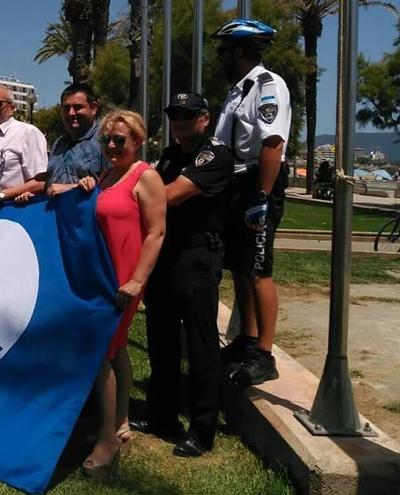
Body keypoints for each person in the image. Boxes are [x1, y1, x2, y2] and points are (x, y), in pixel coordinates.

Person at [137, 93, 235, 458]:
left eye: (187, 115)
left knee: (201, 346)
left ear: (204, 119)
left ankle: (202, 427)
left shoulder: (214, 155)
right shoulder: (169, 154)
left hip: (197, 256)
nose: (178, 121)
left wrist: (133, 195)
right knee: (161, 342)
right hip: (165, 255)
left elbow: (169, 196)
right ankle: (161, 416)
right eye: (174, 115)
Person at [77, 109, 166, 479]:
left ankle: (107, 441)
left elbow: (156, 233)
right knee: (118, 349)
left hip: (125, 278)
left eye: (120, 140)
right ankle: (122, 420)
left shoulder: (146, 176)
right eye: (107, 140)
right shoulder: (108, 174)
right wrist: (84, 186)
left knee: (102, 352)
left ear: (138, 142)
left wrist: (136, 281)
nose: (112, 146)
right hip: (105, 273)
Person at [212, 19, 292, 386]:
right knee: (241, 268)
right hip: (236, 182)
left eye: (224, 50)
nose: (220, 57)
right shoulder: (236, 91)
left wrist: (262, 195)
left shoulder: (267, 85)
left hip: (258, 180)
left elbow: (272, 143)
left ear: (240, 51)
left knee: (259, 268)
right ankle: (246, 340)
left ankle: (265, 353)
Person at [42, 82, 107, 197]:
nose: (71, 113)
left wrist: (73, 188)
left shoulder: (106, 140)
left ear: (93, 108)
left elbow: (117, 187)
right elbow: (50, 184)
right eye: (66, 108)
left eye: (78, 107)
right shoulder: (58, 144)